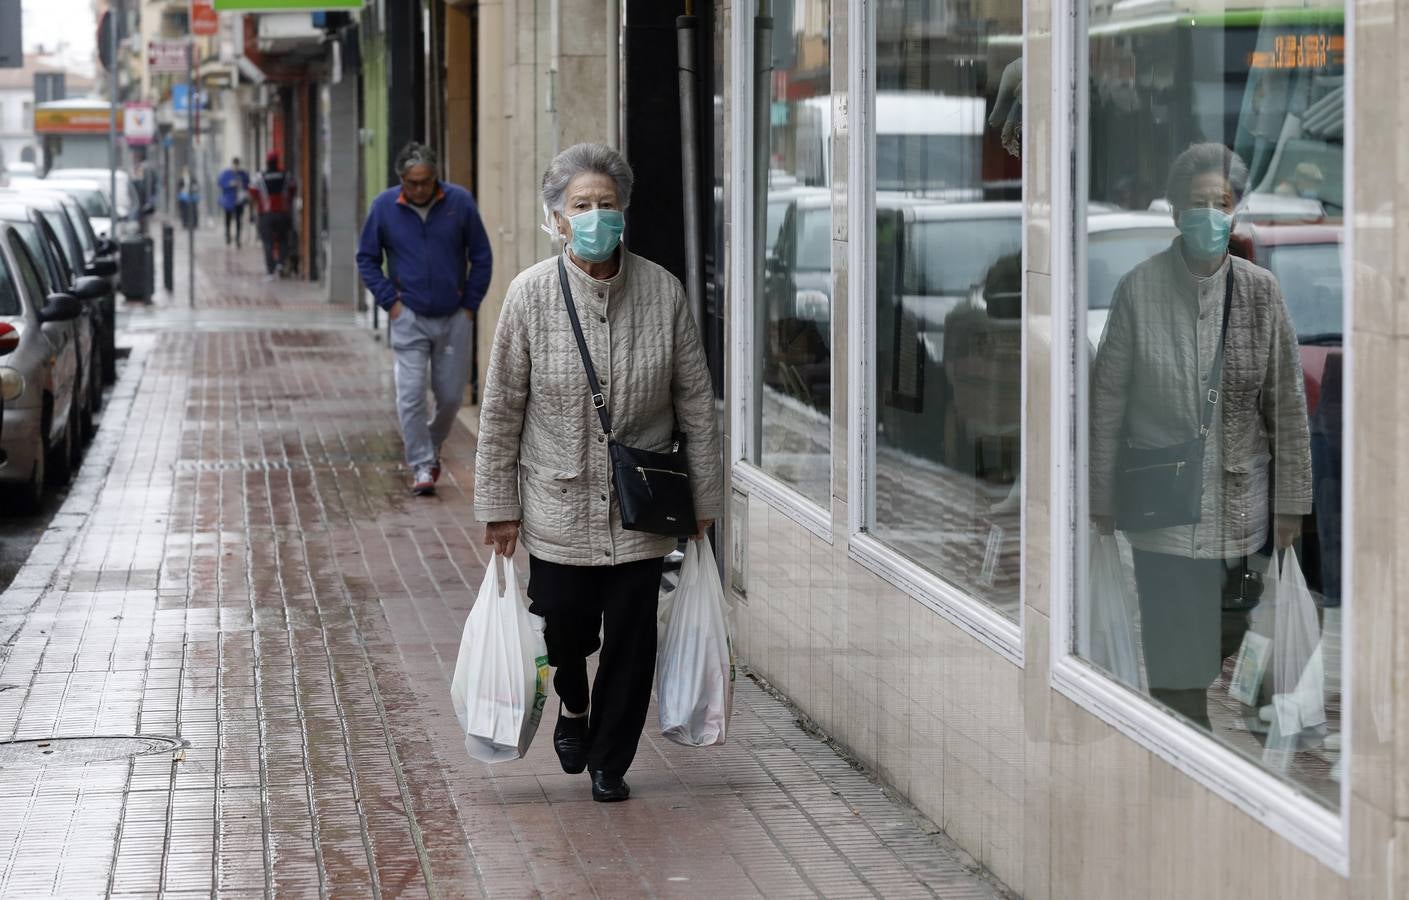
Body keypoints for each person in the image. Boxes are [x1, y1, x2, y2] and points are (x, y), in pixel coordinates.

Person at [474, 143, 722, 803]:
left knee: (632, 638)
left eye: (605, 205)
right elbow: (500, 411)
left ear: (624, 212)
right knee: (565, 625)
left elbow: (696, 404)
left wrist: (705, 500)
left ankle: (610, 760)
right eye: (580, 206)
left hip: (641, 505)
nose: (594, 217)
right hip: (555, 502)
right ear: (556, 219)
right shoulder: (528, 296)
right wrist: (499, 507)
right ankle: (572, 701)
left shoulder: (662, 291)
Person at [1089, 142, 1312, 729]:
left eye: (1222, 203)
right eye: (1198, 203)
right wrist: (1101, 499)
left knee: (1223, 644)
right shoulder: (1139, 291)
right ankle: (1187, 769)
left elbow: (1287, 405)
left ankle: (1212, 734)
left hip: (1243, 520)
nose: (1210, 215)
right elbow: (1106, 404)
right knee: (1175, 670)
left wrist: (1292, 502)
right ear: (1174, 213)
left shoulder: (1261, 294)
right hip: (1163, 524)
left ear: (1235, 212)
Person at [357, 142, 493, 495]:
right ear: (401, 180)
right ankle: (421, 464)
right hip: (409, 317)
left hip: (455, 317)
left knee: (450, 397)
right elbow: (366, 259)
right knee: (410, 395)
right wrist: (391, 303)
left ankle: (430, 445)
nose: (420, 189)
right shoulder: (384, 207)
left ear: (437, 177)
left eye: (427, 181)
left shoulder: (459, 203)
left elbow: (481, 255)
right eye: (412, 182)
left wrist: (470, 305)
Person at [249, 152, 295, 281]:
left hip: (266, 214)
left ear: (267, 162)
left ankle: (270, 270)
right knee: (283, 240)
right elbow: (292, 190)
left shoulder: (260, 177)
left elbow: (252, 192)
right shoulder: (286, 175)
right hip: (283, 213)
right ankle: (280, 264)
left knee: (268, 242)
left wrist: (256, 207)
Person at [218, 157, 251, 247]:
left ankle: (237, 239)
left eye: (237, 165)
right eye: (234, 165)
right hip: (229, 200)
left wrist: (242, 186)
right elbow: (220, 183)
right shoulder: (226, 173)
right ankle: (228, 235)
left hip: (239, 200)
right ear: (232, 165)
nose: (236, 167)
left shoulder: (243, 174)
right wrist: (230, 184)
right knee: (228, 219)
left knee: (238, 220)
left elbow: (248, 184)